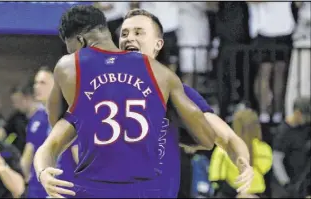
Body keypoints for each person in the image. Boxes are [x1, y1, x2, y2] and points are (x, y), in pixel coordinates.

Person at [34, 5, 218, 198]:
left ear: (81, 41)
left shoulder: (68, 65)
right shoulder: (161, 73)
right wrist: (168, 128)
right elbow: (207, 139)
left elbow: (54, 122)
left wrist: (43, 172)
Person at [119, 8, 254, 197]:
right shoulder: (100, 89)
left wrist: (243, 161)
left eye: (138, 32)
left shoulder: (176, 91)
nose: (128, 38)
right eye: (124, 33)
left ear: (158, 45)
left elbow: (228, 138)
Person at [21, 67, 54, 198]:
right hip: (36, 191)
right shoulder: (36, 117)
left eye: (42, 83)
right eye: (36, 82)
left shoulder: (69, 116)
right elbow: (27, 155)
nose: (36, 87)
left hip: (61, 189)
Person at [273, 96, 311, 198]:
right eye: (307, 117)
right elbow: (276, 161)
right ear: (298, 113)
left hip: (306, 184)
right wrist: (286, 183)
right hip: (291, 187)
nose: (308, 120)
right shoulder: (283, 133)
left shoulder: (307, 127)